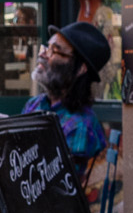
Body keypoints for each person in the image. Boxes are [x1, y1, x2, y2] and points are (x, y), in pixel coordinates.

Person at [23, 22, 110, 172]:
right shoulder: (35, 104)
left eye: (54, 51)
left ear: (80, 69)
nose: (42, 54)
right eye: (47, 47)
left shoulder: (81, 126)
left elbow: (55, 187)